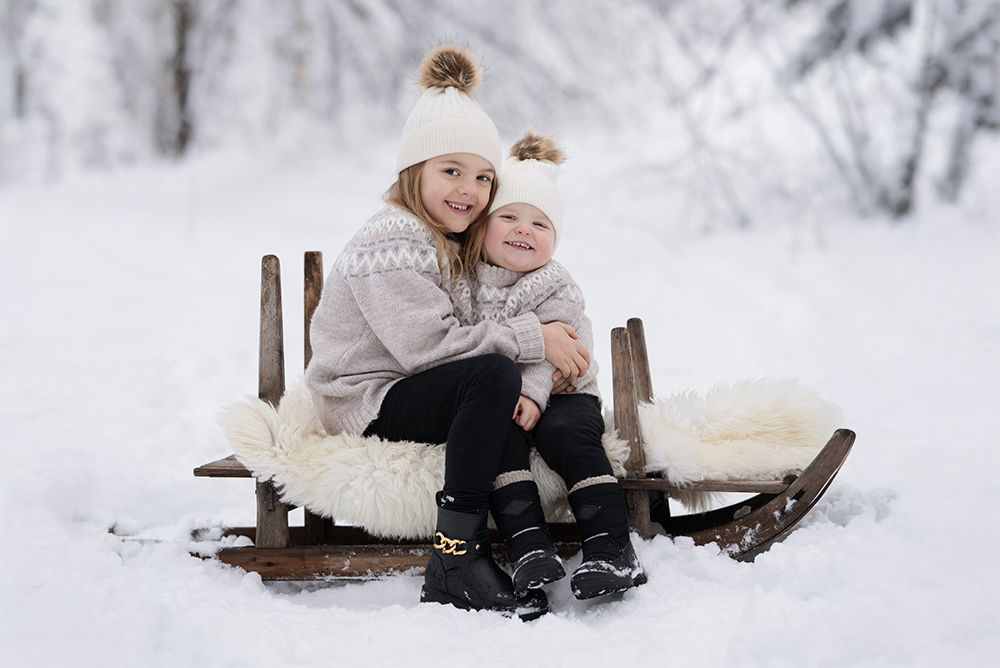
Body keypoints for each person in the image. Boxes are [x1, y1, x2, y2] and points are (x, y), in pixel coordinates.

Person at [304, 44, 589, 620]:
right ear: (414, 171)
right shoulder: (393, 239)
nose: (469, 189)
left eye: (484, 178)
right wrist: (535, 337)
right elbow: (430, 349)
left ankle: (512, 546)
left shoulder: (441, 240)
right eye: (451, 171)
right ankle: (456, 558)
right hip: (364, 397)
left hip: (402, 387)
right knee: (492, 376)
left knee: (499, 384)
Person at [455, 131, 646, 600]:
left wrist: (533, 392)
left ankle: (612, 548)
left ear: (555, 240)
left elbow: (559, 349)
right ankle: (529, 548)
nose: (524, 230)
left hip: (564, 390)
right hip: (499, 395)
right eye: (509, 217)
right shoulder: (461, 280)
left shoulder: (554, 282)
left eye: (540, 224)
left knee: (569, 435)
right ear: (482, 225)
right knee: (498, 441)